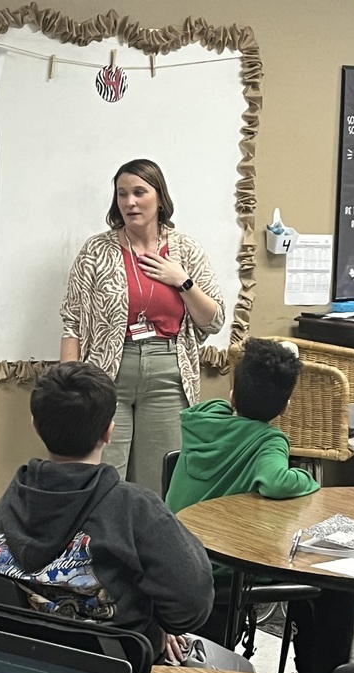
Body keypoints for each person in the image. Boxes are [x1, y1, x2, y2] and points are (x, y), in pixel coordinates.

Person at [0, 361, 214, 663]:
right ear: (109, 431)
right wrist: (162, 625)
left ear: (35, 426)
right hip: (116, 670)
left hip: (22, 662)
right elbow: (193, 601)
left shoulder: (12, 499)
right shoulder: (136, 507)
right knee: (235, 668)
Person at [167, 337, 354, 673]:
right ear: (285, 407)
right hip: (225, 569)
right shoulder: (269, 441)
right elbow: (275, 481)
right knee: (332, 582)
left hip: (179, 558)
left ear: (232, 396)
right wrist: (306, 479)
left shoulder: (202, 419)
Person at [60, 158, 225, 494]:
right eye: (122, 194)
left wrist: (182, 281)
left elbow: (214, 320)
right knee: (101, 481)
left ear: (160, 198)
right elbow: (72, 322)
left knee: (158, 484)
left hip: (167, 376)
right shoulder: (96, 251)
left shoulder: (186, 250)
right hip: (107, 376)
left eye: (139, 192)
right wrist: (67, 388)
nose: (130, 202)